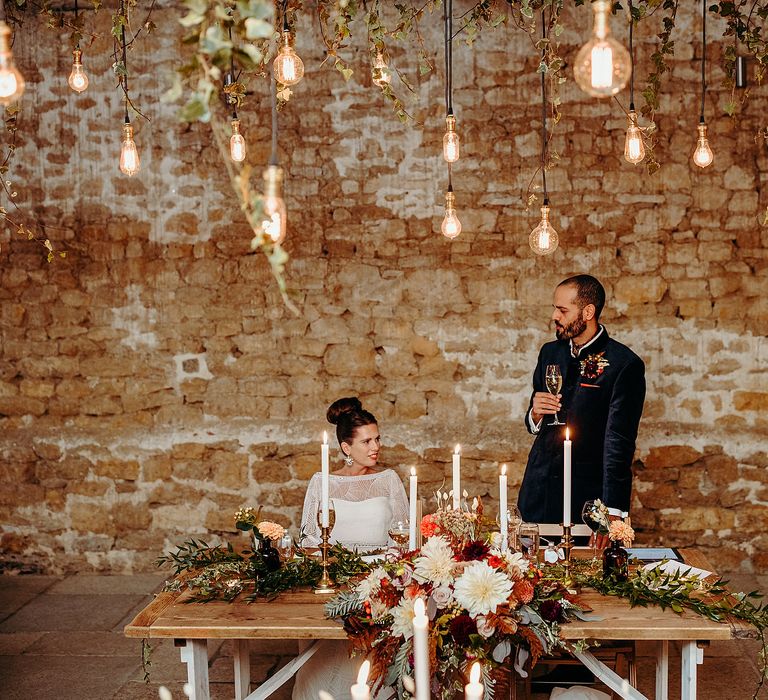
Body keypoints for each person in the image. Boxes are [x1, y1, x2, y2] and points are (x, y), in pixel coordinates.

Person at [293, 397, 408, 700]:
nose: (375, 447)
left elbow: (403, 536)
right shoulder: (322, 483)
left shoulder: (389, 481)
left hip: (380, 584)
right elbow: (308, 540)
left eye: (378, 438)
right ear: (346, 447)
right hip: (335, 585)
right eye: (367, 441)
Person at [518, 275, 645, 547]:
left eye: (562, 310)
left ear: (588, 312)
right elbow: (535, 421)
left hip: (587, 498)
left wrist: (613, 511)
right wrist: (535, 413)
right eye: (555, 308)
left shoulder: (625, 365)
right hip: (537, 491)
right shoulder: (549, 353)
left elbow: (619, 443)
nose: (554, 315)